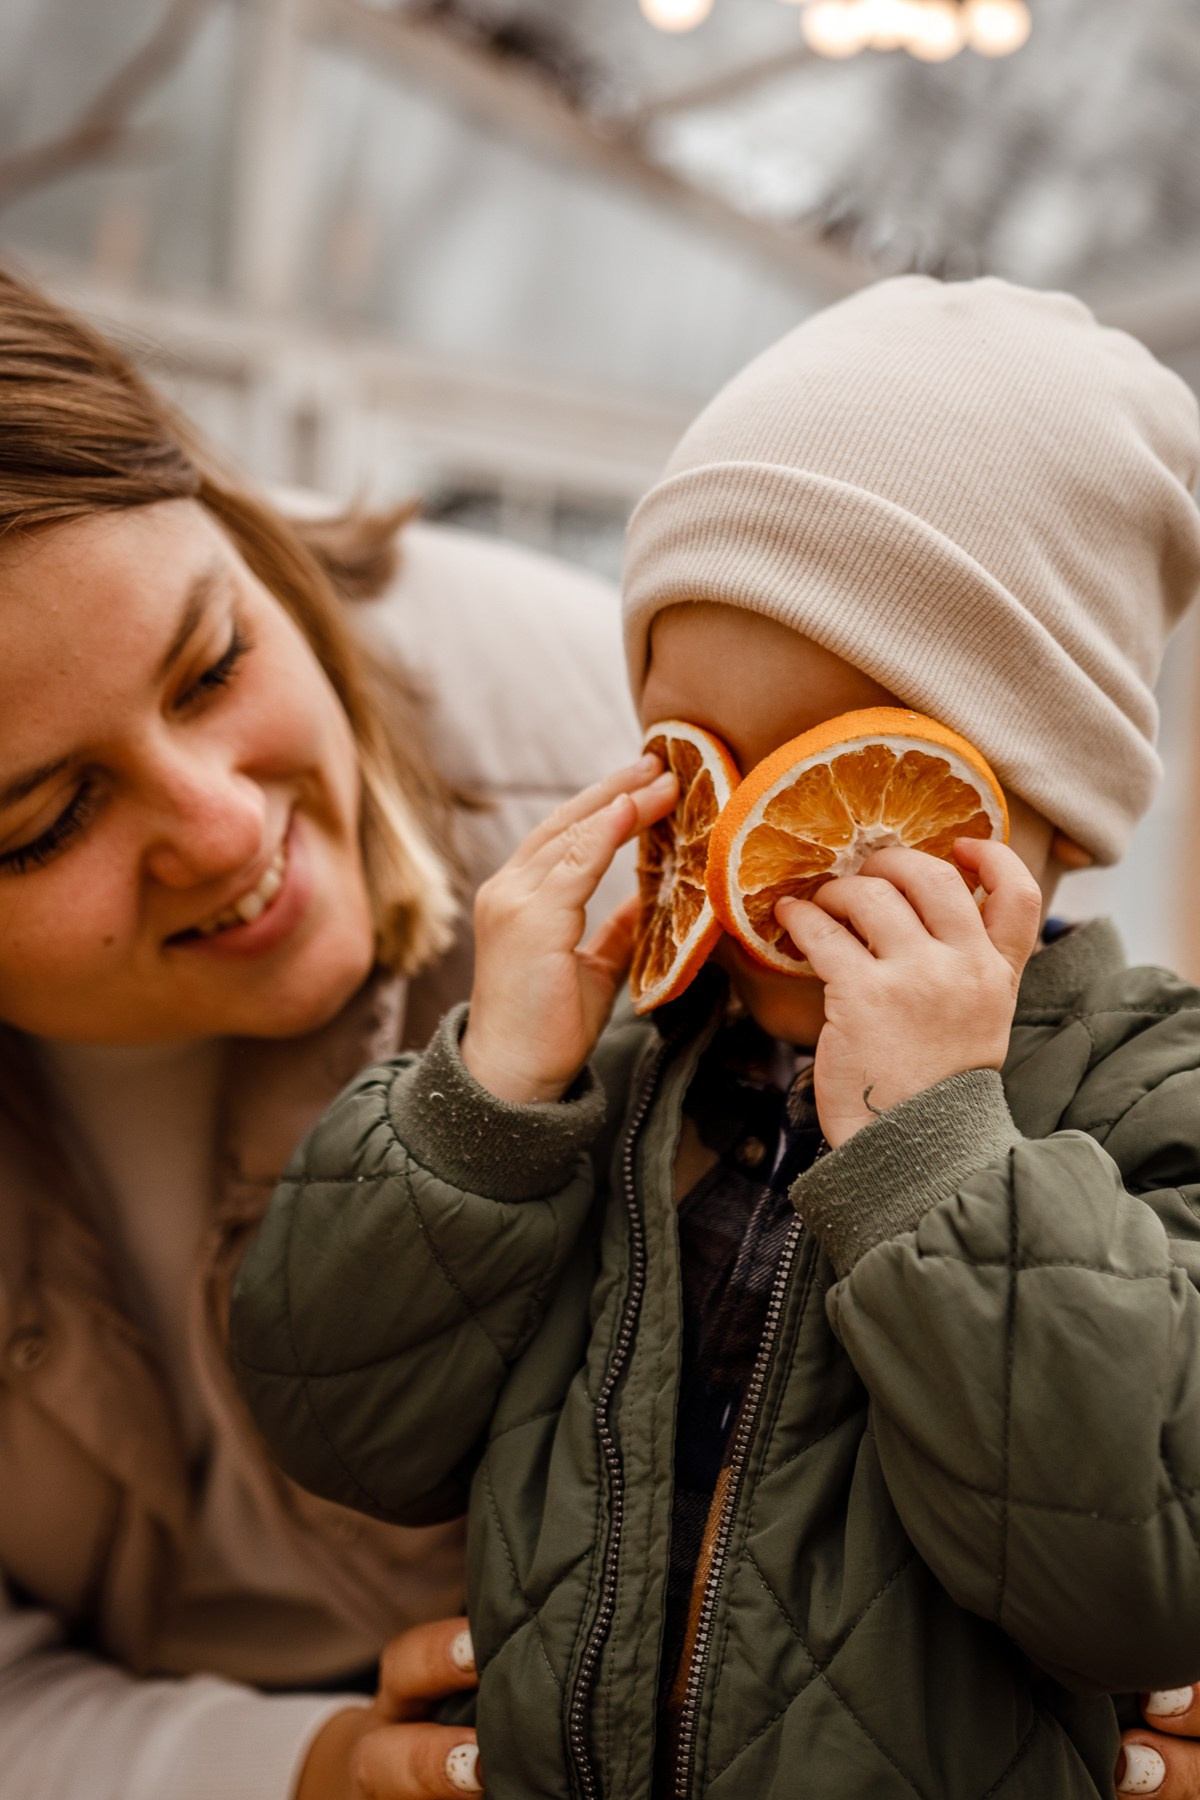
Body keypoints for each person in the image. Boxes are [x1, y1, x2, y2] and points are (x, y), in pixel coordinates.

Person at [232, 277, 1200, 1799]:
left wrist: (941, 1152)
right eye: (706, 767)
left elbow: (1152, 1562)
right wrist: (485, 1095)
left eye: (841, 781)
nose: (757, 848)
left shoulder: (1155, 1100)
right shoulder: (605, 1085)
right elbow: (334, 1420)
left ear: (1059, 814)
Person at [0, 266, 639, 1800]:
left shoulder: (593, 741)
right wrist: (295, 1769)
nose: (224, 832)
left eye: (215, 662)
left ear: (240, 523)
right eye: (41, 820)